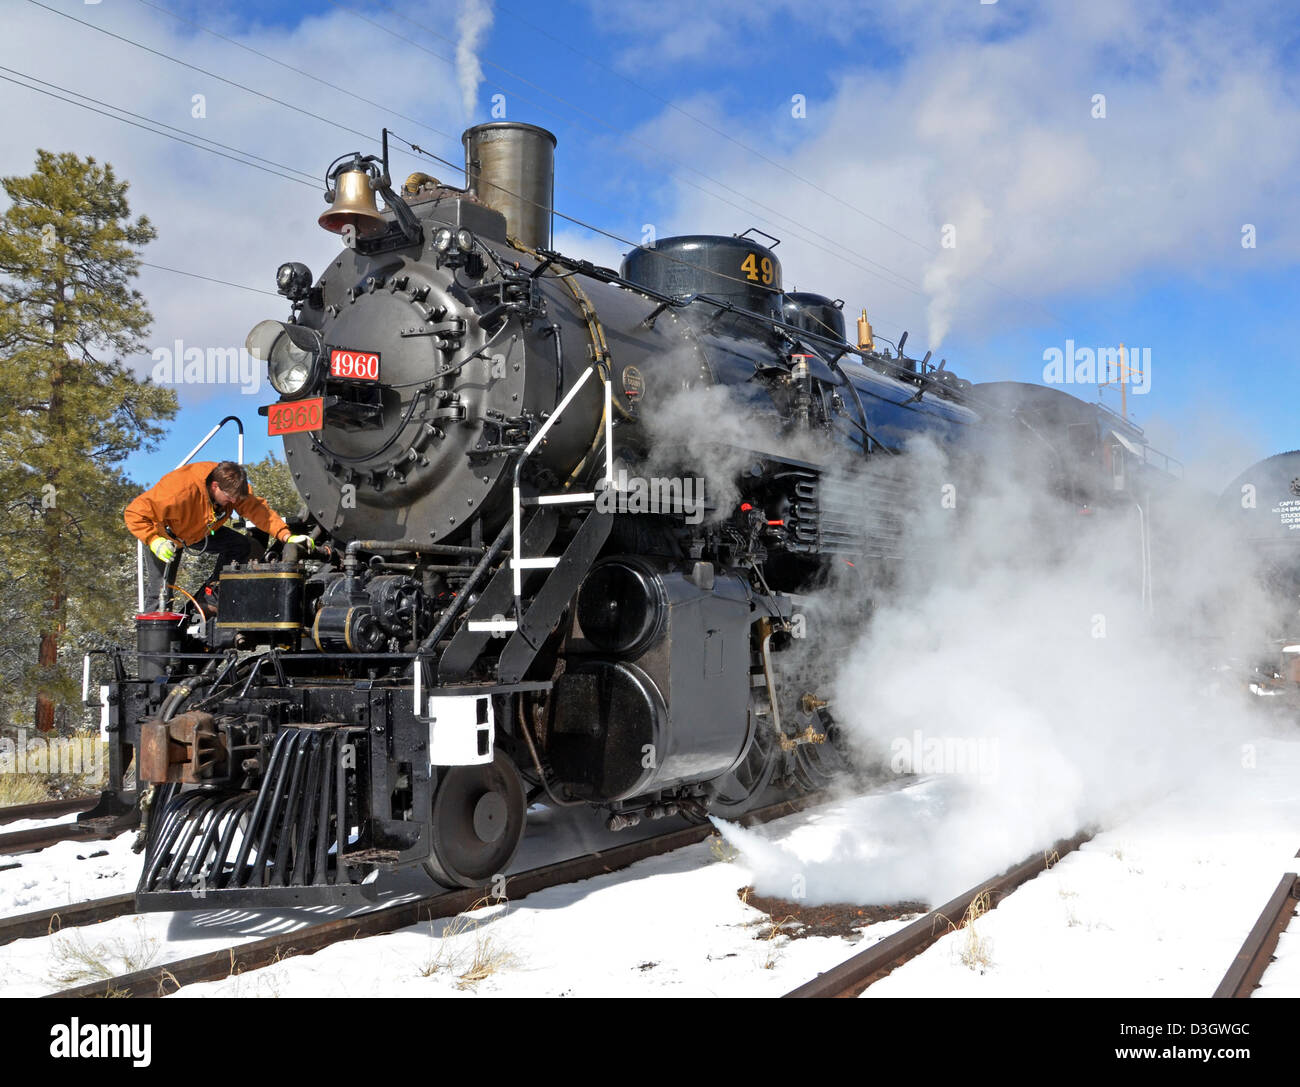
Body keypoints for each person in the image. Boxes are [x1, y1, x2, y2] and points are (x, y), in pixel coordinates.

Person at [125, 460, 312, 612]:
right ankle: (154, 652)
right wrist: (154, 540)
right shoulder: (179, 490)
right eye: (229, 498)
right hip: (165, 538)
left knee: (241, 545)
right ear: (215, 486)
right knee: (162, 592)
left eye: (236, 499)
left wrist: (287, 536)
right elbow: (134, 513)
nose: (233, 502)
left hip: (199, 531)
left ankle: (212, 596)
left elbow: (260, 512)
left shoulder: (235, 490)